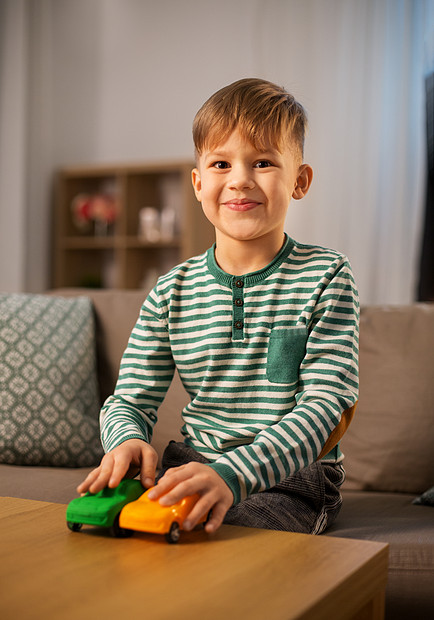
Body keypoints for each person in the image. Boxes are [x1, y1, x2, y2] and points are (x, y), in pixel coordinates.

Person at [78, 78, 359, 536]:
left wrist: (233, 475)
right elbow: (129, 399)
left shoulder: (327, 275)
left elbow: (328, 405)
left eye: (264, 162)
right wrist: (125, 440)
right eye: (221, 163)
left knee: (216, 534)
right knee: (115, 526)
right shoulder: (172, 290)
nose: (240, 179)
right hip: (194, 462)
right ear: (198, 182)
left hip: (293, 476)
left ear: (299, 180)